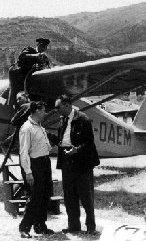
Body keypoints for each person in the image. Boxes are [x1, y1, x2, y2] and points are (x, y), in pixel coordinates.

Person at [55, 95, 100, 234]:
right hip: (67, 162)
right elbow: (62, 139)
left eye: (58, 107)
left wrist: (77, 150)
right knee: (69, 196)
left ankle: (91, 227)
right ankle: (74, 226)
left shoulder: (83, 119)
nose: (56, 110)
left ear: (67, 105)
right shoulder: (62, 120)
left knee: (86, 197)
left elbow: (89, 143)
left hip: (82, 164)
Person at [18, 101, 54, 238]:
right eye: (43, 110)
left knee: (45, 195)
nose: (45, 113)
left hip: (45, 162)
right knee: (35, 197)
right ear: (37, 111)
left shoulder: (39, 127)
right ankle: (24, 227)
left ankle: (40, 225)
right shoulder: (26, 128)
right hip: (35, 164)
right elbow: (24, 152)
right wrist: (28, 172)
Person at [8, 38, 51, 108]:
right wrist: (36, 56)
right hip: (18, 75)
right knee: (15, 92)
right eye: (41, 46)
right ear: (37, 45)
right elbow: (22, 56)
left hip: (30, 79)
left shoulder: (44, 57)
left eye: (44, 47)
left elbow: (47, 67)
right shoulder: (30, 50)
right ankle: (11, 108)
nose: (43, 48)